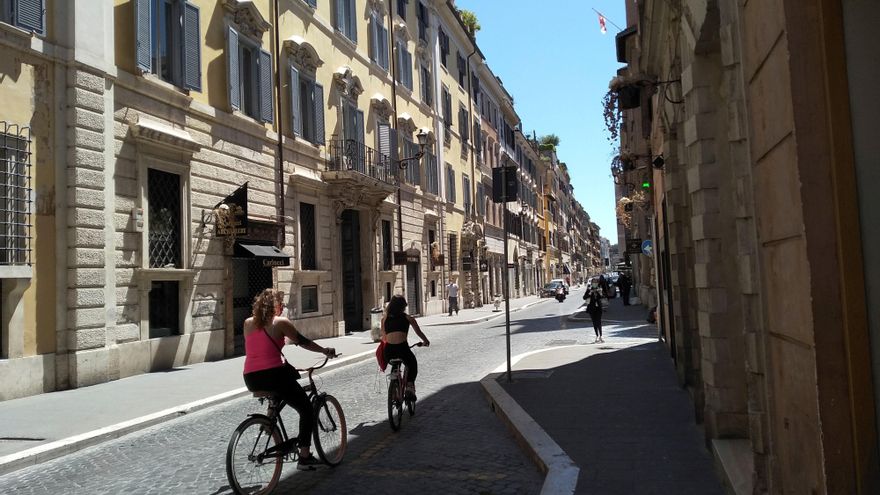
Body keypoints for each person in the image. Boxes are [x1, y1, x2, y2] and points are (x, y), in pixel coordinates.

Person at [242, 288, 336, 471]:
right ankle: (305, 456)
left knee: (281, 389)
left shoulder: (247, 323)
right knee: (307, 409)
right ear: (274, 305)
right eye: (281, 303)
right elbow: (303, 341)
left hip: (251, 377)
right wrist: (324, 350)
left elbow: (258, 351)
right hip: (273, 376)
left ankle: (270, 420)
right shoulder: (280, 323)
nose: (283, 307)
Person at [381, 294, 430, 399]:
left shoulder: (384, 319)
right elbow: (419, 332)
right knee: (412, 364)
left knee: (395, 365)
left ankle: (394, 389)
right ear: (403, 306)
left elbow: (384, 337)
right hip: (402, 349)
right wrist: (425, 341)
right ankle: (409, 387)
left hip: (388, 351)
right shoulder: (408, 318)